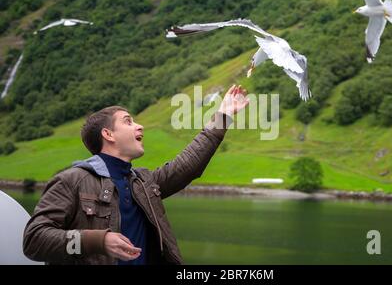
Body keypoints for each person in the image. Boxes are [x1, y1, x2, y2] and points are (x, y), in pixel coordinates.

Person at [23, 84, 249, 265]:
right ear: (108, 134)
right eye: (128, 121)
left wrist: (224, 115)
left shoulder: (144, 182)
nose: (140, 126)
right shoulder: (71, 180)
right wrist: (97, 241)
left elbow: (189, 164)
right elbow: (34, 241)